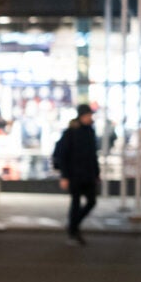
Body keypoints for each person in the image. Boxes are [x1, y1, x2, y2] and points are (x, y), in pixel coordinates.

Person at [57, 103, 100, 245]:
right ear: (81, 116)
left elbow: (93, 155)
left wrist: (96, 173)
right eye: (87, 115)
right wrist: (64, 175)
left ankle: (73, 225)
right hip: (74, 174)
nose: (89, 118)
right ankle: (73, 231)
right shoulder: (71, 132)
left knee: (91, 201)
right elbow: (63, 155)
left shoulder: (90, 131)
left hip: (88, 174)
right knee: (75, 202)